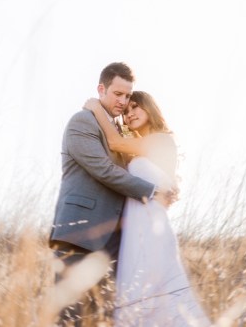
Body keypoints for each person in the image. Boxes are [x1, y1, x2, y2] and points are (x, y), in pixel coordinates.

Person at [49, 62, 172, 326]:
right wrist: (151, 190)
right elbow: (103, 170)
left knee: (104, 317)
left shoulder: (118, 130)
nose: (123, 101)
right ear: (101, 89)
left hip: (114, 242)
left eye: (128, 96)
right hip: (79, 234)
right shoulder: (82, 121)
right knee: (71, 316)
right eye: (118, 94)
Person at [84, 91, 211, 326]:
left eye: (136, 108)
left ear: (150, 109)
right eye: (127, 110)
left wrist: (96, 109)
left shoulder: (161, 140)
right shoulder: (135, 149)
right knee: (136, 295)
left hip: (153, 232)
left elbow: (114, 141)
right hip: (134, 233)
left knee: (160, 296)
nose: (130, 113)